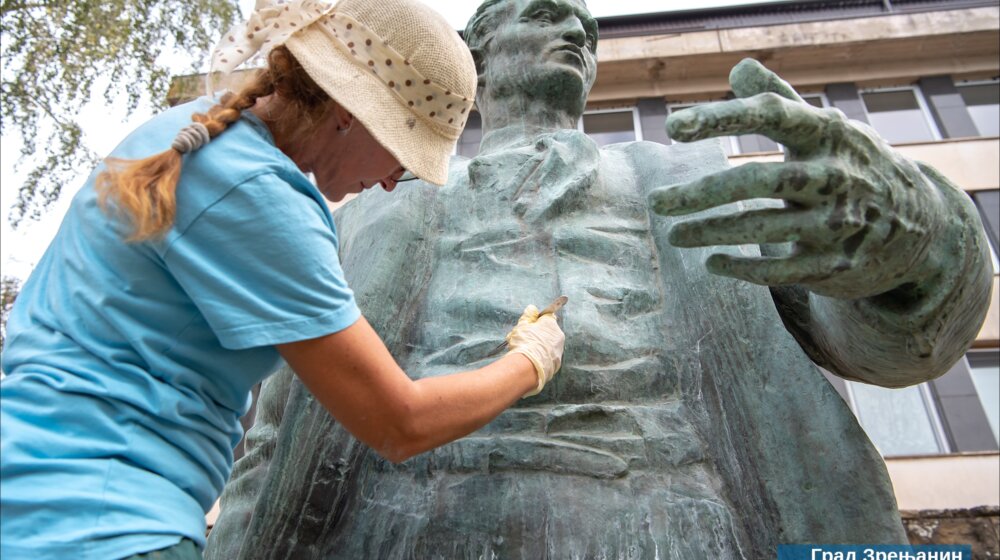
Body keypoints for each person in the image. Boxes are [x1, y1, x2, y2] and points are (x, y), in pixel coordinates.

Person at [204, 0, 994, 558]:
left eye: (586, 26)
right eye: (547, 13)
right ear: (480, 51)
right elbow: (275, 438)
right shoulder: (367, 215)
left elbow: (879, 345)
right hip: (404, 524)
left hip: (673, 521)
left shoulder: (682, 182)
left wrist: (915, 247)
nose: (576, 33)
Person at [0, 0, 568, 558]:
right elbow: (402, 421)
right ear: (352, 109)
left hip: (37, 499)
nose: (396, 181)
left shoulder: (187, 135)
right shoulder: (255, 194)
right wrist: (529, 362)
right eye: (403, 150)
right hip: (108, 526)